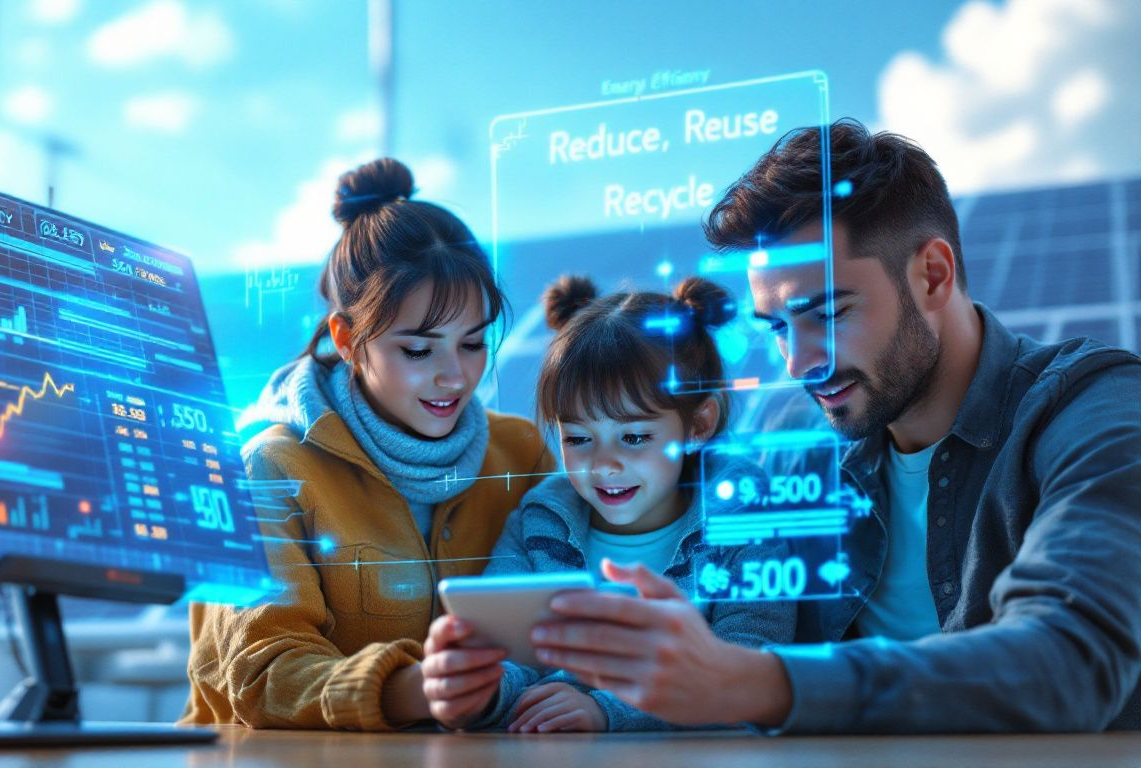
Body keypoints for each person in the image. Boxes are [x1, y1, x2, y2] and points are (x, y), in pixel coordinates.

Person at [527, 119, 1141, 733]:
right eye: (777, 327)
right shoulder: (791, 442)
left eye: (827, 313)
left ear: (932, 274)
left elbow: (1070, 662)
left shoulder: (1097, 411)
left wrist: (755, 682)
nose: (799, 362)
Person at [181, 158, 554, 730]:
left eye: (473, 344)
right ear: (348, 338)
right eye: (418, 350)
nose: (455, 376)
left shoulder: (521, 453)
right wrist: (410, 691)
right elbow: (258, 674)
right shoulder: (268, 467)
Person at [421, 275, 794, 733]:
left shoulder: (743, 515)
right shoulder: (541, 521)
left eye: (634, 437)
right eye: (578, 438)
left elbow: (749, 666)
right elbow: (506, 655)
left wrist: (608, 709)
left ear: (698, 425)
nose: (604, 465)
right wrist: (475, 693)